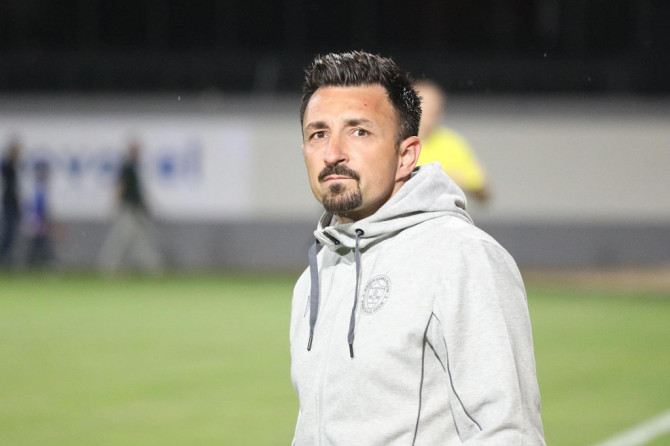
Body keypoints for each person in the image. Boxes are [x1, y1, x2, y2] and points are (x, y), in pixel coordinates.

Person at [290, 51, 545, 445]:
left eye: (359, 132)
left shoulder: (462, 257)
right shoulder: (315, 276)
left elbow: (507, 432)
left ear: (406, 154)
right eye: (318, 134)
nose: (332, 152)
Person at [415, 79, 490, 203]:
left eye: (436, 104)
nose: (432, 109)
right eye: (425, 103)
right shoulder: (394, 140)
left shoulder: (452, 142)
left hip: (445, 213)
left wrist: (461, 182)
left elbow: (483, 194)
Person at [97, 139, 163, 274]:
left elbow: (137, 191)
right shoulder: (128, 167)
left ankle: (152, 265)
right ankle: (107, 266)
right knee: (124, 238)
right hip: (128, 208)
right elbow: (121, 187)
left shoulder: (133, 167)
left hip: (134, 208)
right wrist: (116, 204)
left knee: (137, 238)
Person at [0, 139, 21, 267]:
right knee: (8, 233)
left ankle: (5, 258)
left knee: (10, 234)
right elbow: (10, 188)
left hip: (11, 203)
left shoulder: (12, 167)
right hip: (9, 203)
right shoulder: (8, 166)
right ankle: (3, 257)